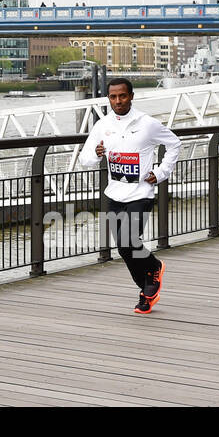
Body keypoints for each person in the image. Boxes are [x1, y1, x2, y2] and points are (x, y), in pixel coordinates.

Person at [77, 78, 181, 314]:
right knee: (124, 248)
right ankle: (146, 290)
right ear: (108, 99)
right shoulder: (102, 125)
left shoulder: (147, 124)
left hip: (140, 193)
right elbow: (85, 160)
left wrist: (161, 172)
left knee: (129, 241)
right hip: (115, 194)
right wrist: (96, 154)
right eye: (113, 97)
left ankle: (154, 267)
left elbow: (175, 144)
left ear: (131, 96)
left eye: (122, 96)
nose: (118, 101)